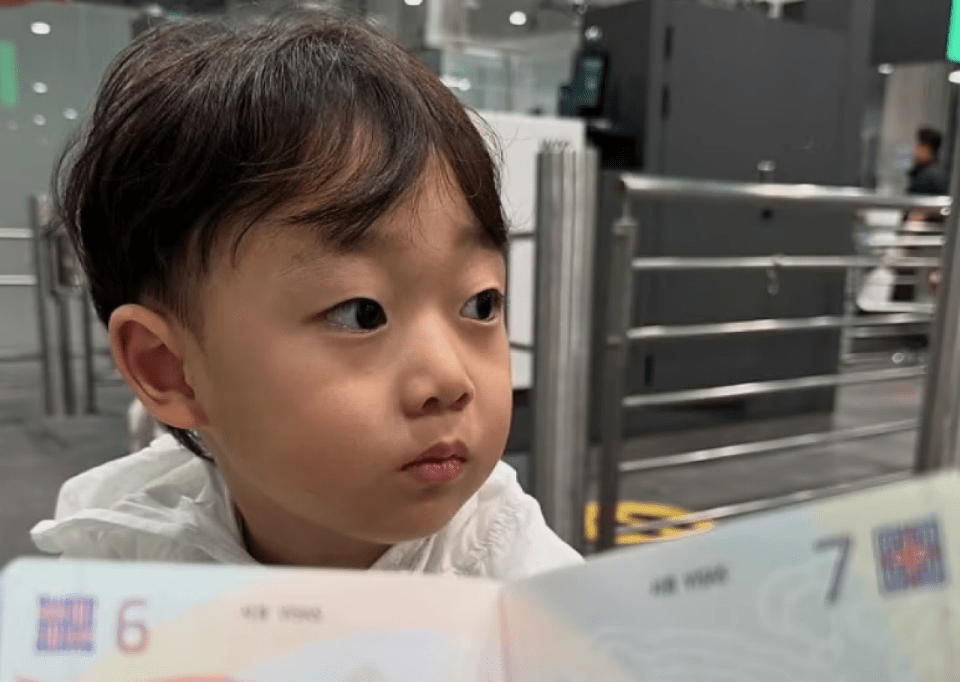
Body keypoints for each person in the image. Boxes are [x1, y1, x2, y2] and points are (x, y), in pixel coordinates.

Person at [30, 10, 582, 578]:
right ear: (170, 368)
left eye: (480, 304)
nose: (449, 381)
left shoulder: (525, 591)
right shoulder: (126, 558)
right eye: (361, 313)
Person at [907, 127, 949, 196]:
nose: (917, 150)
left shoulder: (928, 176)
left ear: (931, 151)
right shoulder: (923, 171)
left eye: (922, 147)